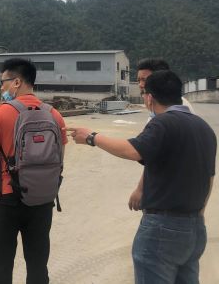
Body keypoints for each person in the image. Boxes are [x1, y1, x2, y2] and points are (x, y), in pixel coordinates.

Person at [70, 70, 216, 284]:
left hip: (162, 228)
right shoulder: (204, 128)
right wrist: (197, 216)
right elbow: (210, 177)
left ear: (149, 98)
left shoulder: (163, 123)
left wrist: (92, 137)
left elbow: (133, 150)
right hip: (194, 228)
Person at [0, 58, 68, 284]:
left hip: (6, 195)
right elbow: (59, 159)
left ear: (16, 82)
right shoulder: (54, 115)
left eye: (3, 82)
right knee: (38, 262)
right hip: (42, 198)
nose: (2, 88)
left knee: (1, 264)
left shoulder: (0, 112)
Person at [129, 59, 194, 211]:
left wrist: (93, 138)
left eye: (144, 79)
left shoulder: (174, 110)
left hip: (169, 200)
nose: (141, 85)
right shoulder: (160, 109)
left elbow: (138, 151)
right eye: (138, 80)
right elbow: (153, 153)